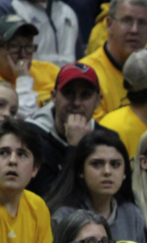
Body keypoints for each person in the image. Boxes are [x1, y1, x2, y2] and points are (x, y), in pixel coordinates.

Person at [45, 128, 146, 243]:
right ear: (81, 171)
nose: (107, 171)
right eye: (97, 164)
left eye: (115, 164)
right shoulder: (62, 218)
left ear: (125, 173)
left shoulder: (132, 215)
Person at [79, 0, 147, 121]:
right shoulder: (86, 75)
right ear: (109, 24)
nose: (134, 30)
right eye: (127, 20)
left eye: (142, 23)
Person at [25, 62, 103, 190]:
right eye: (69, 93)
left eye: (85, 95)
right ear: (54, 96)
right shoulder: (30, 138)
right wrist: (75, 147)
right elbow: (51, 201)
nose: (77, 102)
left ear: (98, 101)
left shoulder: (105, 138)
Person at [0, 15, 61, 120]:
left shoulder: (50, 71)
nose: (23, 55)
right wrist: (24, 79)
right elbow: (24, 125)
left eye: (28, 47)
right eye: (14, 47)